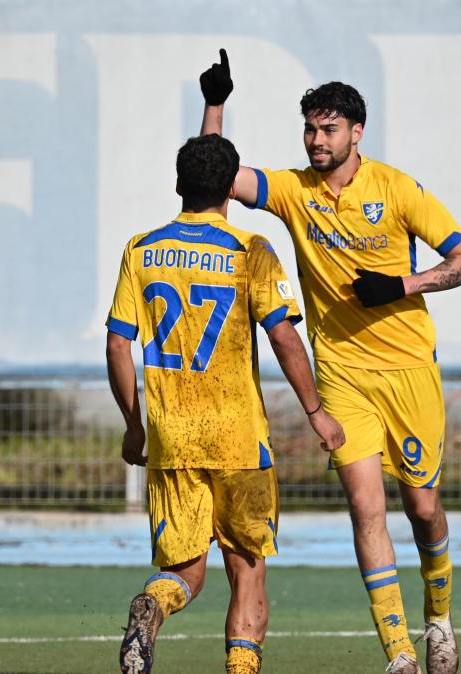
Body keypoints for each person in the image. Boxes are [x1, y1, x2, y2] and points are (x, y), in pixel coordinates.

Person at [198, 50, 461, 674]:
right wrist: (214, 105)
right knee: (364, 507)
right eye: (310, 129)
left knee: (424, 508)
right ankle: (401, 653)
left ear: (357, 132)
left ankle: (439, 617)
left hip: (409, 370)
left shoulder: (397, 188)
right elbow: (211, 175)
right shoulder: (296, 192)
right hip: (343, 376)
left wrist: (404, 284)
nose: (317, 140)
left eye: (328, 129)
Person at [108, 134, 345, 674]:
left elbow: (118, 343)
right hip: (239, 437)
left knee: (184, 571)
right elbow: (285, 338)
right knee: (248, 566)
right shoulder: (250, 252)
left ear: (177, 185)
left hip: (171, 437)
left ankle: (153, 604)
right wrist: (316, 412)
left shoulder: (141, 249)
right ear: (230, 193)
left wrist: (133, 424)